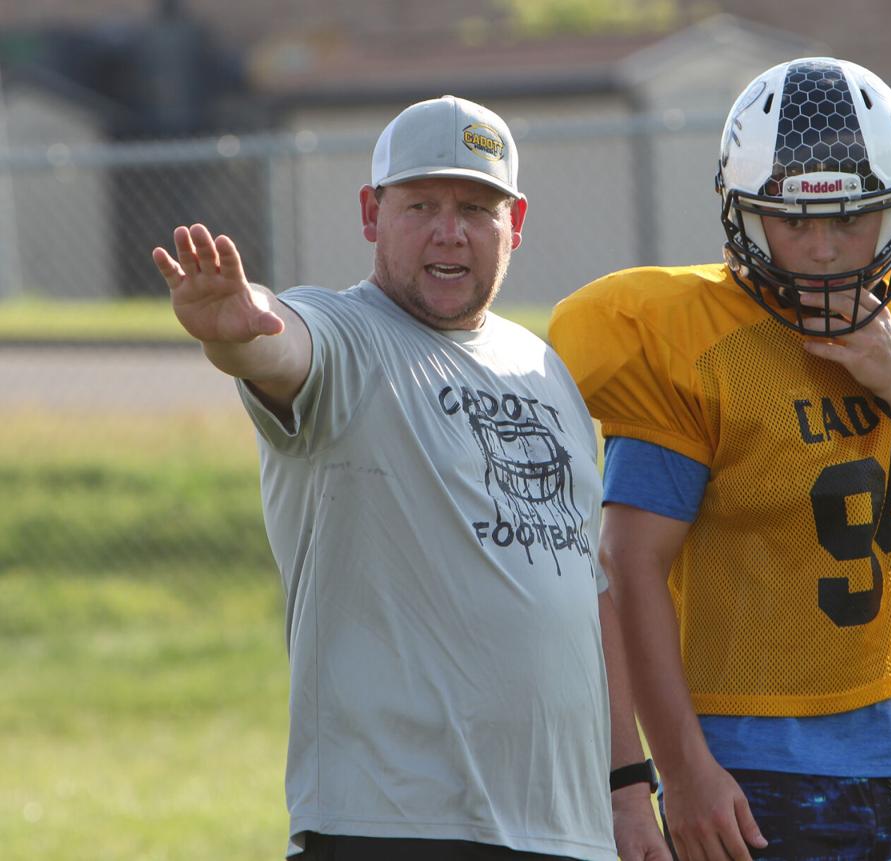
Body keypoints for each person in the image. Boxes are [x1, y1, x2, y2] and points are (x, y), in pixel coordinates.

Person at [548, 57, 891, 861]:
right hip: (750, 767)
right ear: (744, 218)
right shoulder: (693, 343)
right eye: (794, 222)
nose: (823, 250)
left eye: (850, 219)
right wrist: (679, 770)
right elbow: (627, 564)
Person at [151, 95, 668, 861]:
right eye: (420, 203)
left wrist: (627, 787)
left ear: (515, 223)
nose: (449, 230)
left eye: (474, 207)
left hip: (566, 827)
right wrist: (240, 330)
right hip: (393, 825)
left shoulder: (544, 369)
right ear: (371, 213)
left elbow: (585, 588)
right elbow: (284, 344)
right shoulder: (349, 336)